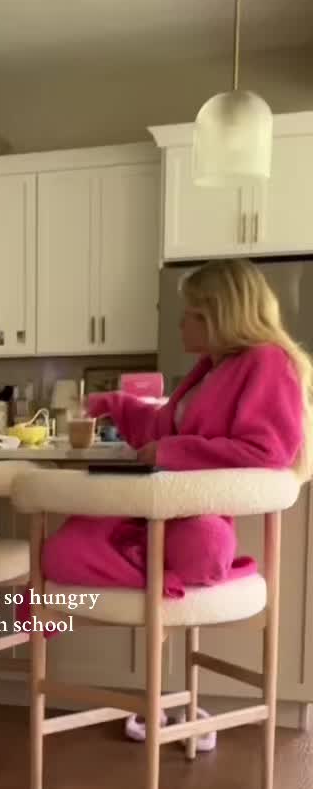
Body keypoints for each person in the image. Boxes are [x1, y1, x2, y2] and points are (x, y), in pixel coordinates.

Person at [24, 258, 311, 618]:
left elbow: (266, 451)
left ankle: (150, 566)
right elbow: (160, 430)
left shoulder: (267, 361)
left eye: (190, 314)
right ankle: (154, 569)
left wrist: (170, 453)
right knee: (58, 553)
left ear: (217, 318)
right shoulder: (208, 369)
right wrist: (114, 404)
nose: (180, 323)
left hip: (199, 513)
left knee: (205, 548)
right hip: (158, 510)